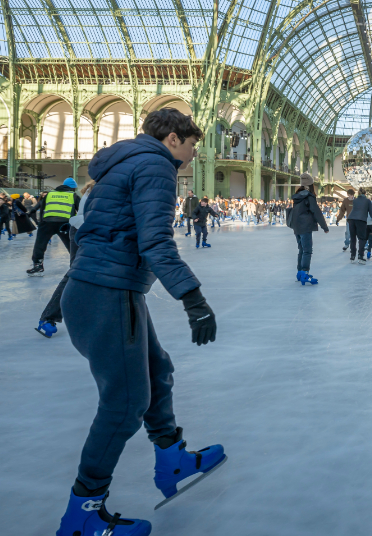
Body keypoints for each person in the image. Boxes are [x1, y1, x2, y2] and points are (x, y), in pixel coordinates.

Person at [55, 108, 223, 536]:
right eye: (192, 144)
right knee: (124, 402)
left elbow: (93, 234)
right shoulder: (156, 166)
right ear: (173, 138)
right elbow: (155, 242)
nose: (194, 153)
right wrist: (194, 299)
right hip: (107, 293)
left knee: (156, 370)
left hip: (103, 289)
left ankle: (172, 459)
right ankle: (82, 516)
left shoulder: (124, 162)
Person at [36, 181, 96, 338]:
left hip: (80, 229)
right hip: (85, 231)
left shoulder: (103, 184)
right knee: (77, 273)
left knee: (85, 274)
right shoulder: (103, 186)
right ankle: (48, 317)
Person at [28, 179, 78, 276]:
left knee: (40, 244)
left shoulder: (50, 194)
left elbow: (41, 206)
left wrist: (40, 220)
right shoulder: (73, 195)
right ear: (73, 188)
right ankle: (77, 265)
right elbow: (80, 210)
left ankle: (37, 265)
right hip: (65, 224)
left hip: (47, 222)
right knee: (71, 245)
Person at [290, 173, 328, 284]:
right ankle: (305, 274)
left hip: (296, 226)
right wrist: (324, 226)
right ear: (310, 184)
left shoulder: (297, 196)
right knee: (307, 251)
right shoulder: (309, 196)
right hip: (305, 226)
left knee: (301, 250)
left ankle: (300, 273)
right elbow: (316, 211)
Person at [348, 188, 371, 263]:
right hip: (361, 220)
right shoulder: (367, 201)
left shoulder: (355, 200)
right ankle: (360, 256)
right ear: (365, 194)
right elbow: (370, 212)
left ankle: (352, 256)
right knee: (362, 238)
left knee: (353, 238)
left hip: (351, 219)